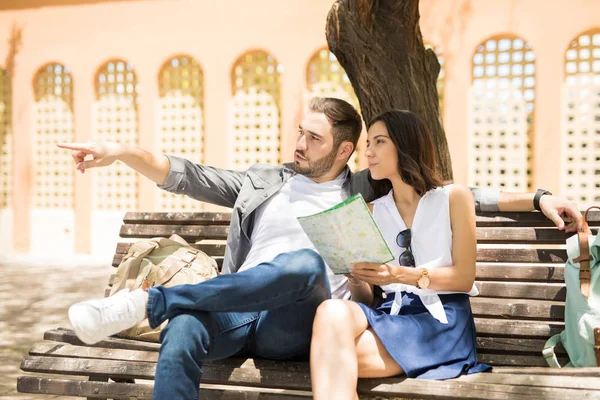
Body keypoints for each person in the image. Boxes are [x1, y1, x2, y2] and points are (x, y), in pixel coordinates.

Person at [59, 97, 581, 400]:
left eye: (312, 138)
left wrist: (538, 196)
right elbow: (186, 174)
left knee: (307, 263)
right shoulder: (260, 181)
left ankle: (152, 304)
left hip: (296, 321)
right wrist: (121, 151)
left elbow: (447, 194)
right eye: (299, 134)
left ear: (344, 149)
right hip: (234, 309)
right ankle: (167, 309)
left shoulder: (363, 191)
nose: (298, 144)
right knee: (184, 330)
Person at [310, 110, 489, 399]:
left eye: (379, 142)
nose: (368, 152)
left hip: (440, 323)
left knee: (327, 356)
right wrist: (355, 276)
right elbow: (367, 299)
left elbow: (464, 278)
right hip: (393, 316)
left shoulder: (454, 198)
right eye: (368, 143)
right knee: (330, 312)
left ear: (406, 144)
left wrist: (398, 274)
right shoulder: (371, 210)